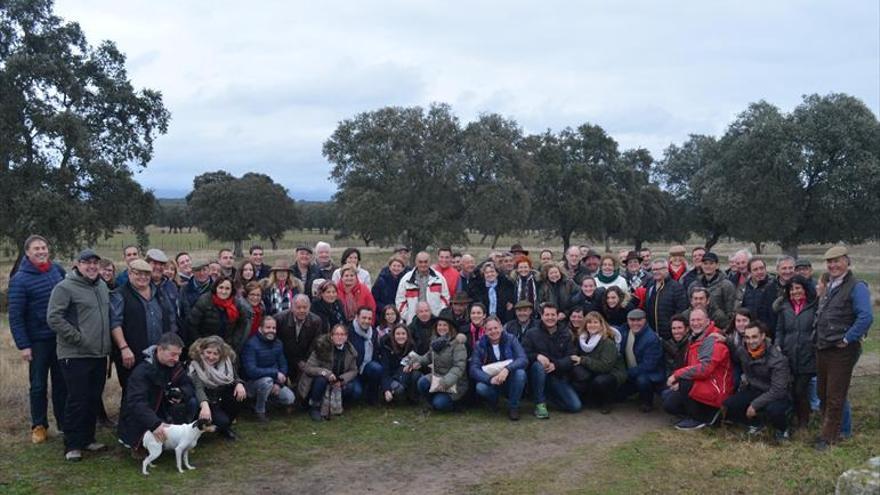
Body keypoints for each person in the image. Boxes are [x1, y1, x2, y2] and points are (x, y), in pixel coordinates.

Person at [46, 249, 112, 461]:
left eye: (95, 262)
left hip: (99, 354)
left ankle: (88, 438)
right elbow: (54, 318)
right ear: (78, 264)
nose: (92, 266)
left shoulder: (101, 285)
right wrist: (78, 337)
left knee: (93, 398)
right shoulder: (64, 287)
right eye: (87, 263)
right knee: (77, 399)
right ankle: (72, 444)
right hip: (75, 354)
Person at [8, 235, 67, 444]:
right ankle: (39, 425)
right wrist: (24, 345)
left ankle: (63, 423)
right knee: (39, 386)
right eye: (36, 249)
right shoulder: (20, 279)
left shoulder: (57, 271)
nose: (41, 251)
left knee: (62, 384)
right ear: (27, 253)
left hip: (60, 339)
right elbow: (15, 316)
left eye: (44, 247)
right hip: (37, 342)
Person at [813, 246, 872, 450]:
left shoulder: (857, 286)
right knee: (822, 393)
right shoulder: (830, 284)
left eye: (837, 261)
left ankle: (829, 438)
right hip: (823, 347)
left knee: (835, 396)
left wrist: (848, 339)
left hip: (841, 350)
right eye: (829, 262)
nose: (833, 265)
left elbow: (866, 317)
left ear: (847, 261)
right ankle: (826, 431)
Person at [117, 333, 197, 452]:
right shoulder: (141, 372)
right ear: (160, 349)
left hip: (164, 410)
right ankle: (139, 444)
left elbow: (189, 385)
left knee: (192, 401)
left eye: (179, 355)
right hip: (141, 415)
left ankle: (174, 439)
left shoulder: (175, 366)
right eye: (173, 354)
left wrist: (181, 393)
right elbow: (136, 403)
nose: (176, 359)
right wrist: (155, 424)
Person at [110, 259, 178, 394]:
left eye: (146, 274)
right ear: (129, 274)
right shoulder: (120, 294)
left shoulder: (158, 292)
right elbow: (115, 323)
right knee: (133, 390)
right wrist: (124, 348)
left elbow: (171, 317)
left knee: (157, 389)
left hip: (158, 352)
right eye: (138, 273)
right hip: (132, 353)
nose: (143, 277)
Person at [663, 308, 733, 430]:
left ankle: (699, 418)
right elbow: (693, 367)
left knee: (684, 382)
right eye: (693, 320)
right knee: (669, 402)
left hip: (715, 389)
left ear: (707, 321)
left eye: (699, 320)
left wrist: (677, 375)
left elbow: (705, 369)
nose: (696, 323)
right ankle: (707, 415)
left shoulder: (714, 339)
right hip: (702, 383)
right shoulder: (694, 338)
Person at [724, 321, 791, 440]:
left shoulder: (778, 359)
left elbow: (779, 390)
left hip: (776, 393)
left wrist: (755, 405)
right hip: (754, 389)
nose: (751, 341)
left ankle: (783, 429)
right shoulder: (742, 351)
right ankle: (755, 423)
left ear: (763, 336)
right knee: (730, 404)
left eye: (754, 337)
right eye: (747, 337)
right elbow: (733, 353)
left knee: (774, 410)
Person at [522, 303, 581, 417]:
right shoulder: (531, 333)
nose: (550, 318)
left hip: (557, 375)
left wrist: (556, 365)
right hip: (536, 374)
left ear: (557, 316)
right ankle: (540, 404)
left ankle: (547, 397)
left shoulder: (565, 334)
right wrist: (537, 356)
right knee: (538, 366)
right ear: (542, 316)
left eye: (553, 315)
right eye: (547, 314)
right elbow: (523, 354)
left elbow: (572, 357)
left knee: (575, 406)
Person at [774, 275, 816, 429]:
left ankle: (804, 421)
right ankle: (794, 417)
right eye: (791, 289)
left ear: (805, 289)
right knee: (790, 389)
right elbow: (780, 330)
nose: (794, 292)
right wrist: (778, 344)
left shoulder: (814, 305)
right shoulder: (785, 307)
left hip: (807, 354)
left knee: (800, 389)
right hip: (789, 353)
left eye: (797, 288)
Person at [469, 316, 528, 420]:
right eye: (490, 329)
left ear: (501, 327)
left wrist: (507, 369)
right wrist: (489, 379)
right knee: (480, 387)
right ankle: (494, 401)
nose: (493, 331)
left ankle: (513, 407)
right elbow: (473, 369)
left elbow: (523, 359)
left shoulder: (511, 339)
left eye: (496, 328)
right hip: (492, 381)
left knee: (520, 373)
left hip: (509, 378)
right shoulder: (480, 344)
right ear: (485, 331)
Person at [188, 336, 246, 441]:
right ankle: (194, 430)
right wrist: (205, 404)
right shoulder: (196, 365)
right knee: (195, 405)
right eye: (208, 352)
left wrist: (239, 384)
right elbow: (198, 388)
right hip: (201, 401)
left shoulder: (226, 363)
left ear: (221, 355)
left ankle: (225, 428)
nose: (211, 357)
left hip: (217, 401)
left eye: (215, 354)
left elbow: (234, 376)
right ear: (202, 351)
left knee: (239, 393)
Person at [297, 324, 360, 421]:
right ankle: (315, 406)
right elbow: (308, 368)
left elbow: (354, 370)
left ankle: (337, 405)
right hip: (320, 380)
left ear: (346, 337)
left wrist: (341, 379)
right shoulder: (321, 347)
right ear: (331, 336)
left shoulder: (350, 351)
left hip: (337, 381)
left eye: (343, 334)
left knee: (354, 389)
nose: (339, 337)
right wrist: (325, 373)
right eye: (337, 334)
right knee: (320, 380)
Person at [240, 316, 296, 421]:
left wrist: (278, 384)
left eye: (274, 328)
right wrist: (275, 374)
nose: (271, 331)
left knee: (290, 398)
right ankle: (259, 411)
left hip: (273, 381)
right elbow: (251, 371)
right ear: (260, 329)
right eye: (268, 327)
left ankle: (266, 403)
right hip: (252, 383)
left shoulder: (278, 343)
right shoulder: (250, 345)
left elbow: (283, 365)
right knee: (266, 382)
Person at [569, 311, 627, 414]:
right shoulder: (583, 339)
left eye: (596, 322)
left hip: (612, 372)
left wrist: (582, 360)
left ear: (601, 325)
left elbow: (605, 366)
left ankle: (607, 402)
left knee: (600, 381)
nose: (592, 325)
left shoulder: (608, 342)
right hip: (593, 368)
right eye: (589, 322)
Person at [412, 311, 469, 412]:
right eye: (439, 325)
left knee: (440, 404)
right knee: (422, 382)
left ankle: (453, 404)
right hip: (437, 378)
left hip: (454, 383)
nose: (441, 328)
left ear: (450, 327)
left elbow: (459, 367)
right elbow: (428, 357)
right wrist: (417, 361)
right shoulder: (435, 341)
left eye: (445, 325)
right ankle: (433, 401)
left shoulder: (458, 343)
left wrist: (445, 381)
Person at [617, 309, 665, 412]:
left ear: (645, 320)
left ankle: (647, 402)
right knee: (617, 397)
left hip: (649, 375)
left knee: (642, 381)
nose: (635, 323)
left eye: (639, 320)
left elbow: (648, 366)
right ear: (628, 320)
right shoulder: (624, 330)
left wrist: (625, 374)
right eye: (632, 320)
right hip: (631, 372)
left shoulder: (651, 338)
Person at [188, 276, 247, 351]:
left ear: (232, 290)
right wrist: (201, 343)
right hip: (206, 345)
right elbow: (192, 324)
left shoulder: (236, 304)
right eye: (221, 287)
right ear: (215, 288)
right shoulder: (204, 301)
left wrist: (233, 342)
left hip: (227, 346)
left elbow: (242, 323)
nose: (223, 291)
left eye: (227, 288)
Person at [275, 294, 324, 386]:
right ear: (292, 307)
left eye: (305, 307)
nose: (302, 310)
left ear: (309, 307)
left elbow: (315, 344)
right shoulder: (280, 319)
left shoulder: (316, 321)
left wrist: (305, 361)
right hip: (283, 357)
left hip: (304, 357)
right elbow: (275, 342)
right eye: (298, 307)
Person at [396, 251, 450, 324]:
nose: (423, 264)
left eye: (425, 262)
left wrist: (440, 313)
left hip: (434, 319)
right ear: (416, 262)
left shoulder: (439, 278)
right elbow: (400, 300)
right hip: (413, 320)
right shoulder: (406, 279)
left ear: (429, 262)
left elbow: (445, 298)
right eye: (420, 262)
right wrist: (407, 315)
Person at [644, 259, 688, 341]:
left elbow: (681, 311)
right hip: (653, 335)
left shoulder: (676, 287)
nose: (656, 272)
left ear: (666, 269)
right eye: (654, 270)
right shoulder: (650, 286)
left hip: (670, 336)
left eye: (659, 269)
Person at [378, 324, 422, 404]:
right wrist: (386, 389)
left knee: (417, 374)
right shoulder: (386, 346)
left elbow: (416, 362)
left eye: (403, 334)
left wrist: (413, 365)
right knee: (398, 389)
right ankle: (387, 394)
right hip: (390, 376)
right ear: (393, 335)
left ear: (407, 335)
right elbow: (385, 369)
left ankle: (412, 398)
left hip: (404, 374)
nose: (400, 336)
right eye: (398, 334)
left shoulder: (412, 346)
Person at [687, 252, 736, 321]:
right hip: (697, 323)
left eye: (711, 263)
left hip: (719, 324)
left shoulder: (726, 285)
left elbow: (730, 311)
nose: (708, 266)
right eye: (705, 263)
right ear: (701, 265)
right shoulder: (693, 285)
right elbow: (691, 307)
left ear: (717, 265)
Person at [349, 307, 383, 404]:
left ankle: (372, 397)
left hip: (367, 367)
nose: (366, 321)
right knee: (356, 393)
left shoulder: (373, 333)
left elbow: (376, 353)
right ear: (357, 317)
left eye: (369, 319)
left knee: (377, 368)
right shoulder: (349, 331)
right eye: (363, 318)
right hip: (352, 370)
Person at [178, 259, 212, 345]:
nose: (201, 273)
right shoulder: (184, 289)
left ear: (209, 270)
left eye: (204, 270)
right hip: (189, 336)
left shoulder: (216, 288)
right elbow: (181, 313)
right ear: (192, 272)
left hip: (210, 336)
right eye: (198, 270)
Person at [741, 257, 778, 331]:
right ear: (750, 272)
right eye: (755, 270)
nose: (759, 272)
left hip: (769, 332)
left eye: (762, 268)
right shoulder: (745, 288)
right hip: (751, 332)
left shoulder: (774, 286)